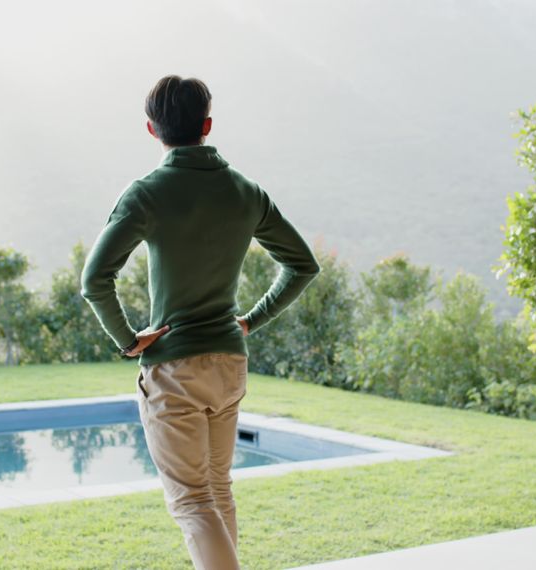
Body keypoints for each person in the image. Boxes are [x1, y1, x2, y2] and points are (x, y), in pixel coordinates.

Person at [80, 74, 321, 570]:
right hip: (229, 364)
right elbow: (302, 265)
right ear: (207, 125)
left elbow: (94, 280)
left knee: (192, 502)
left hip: (175, 370)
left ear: (152, 130)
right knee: (216, 491)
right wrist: (252, 320)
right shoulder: (245, 191)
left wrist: (129, 340)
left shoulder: (147, 194)